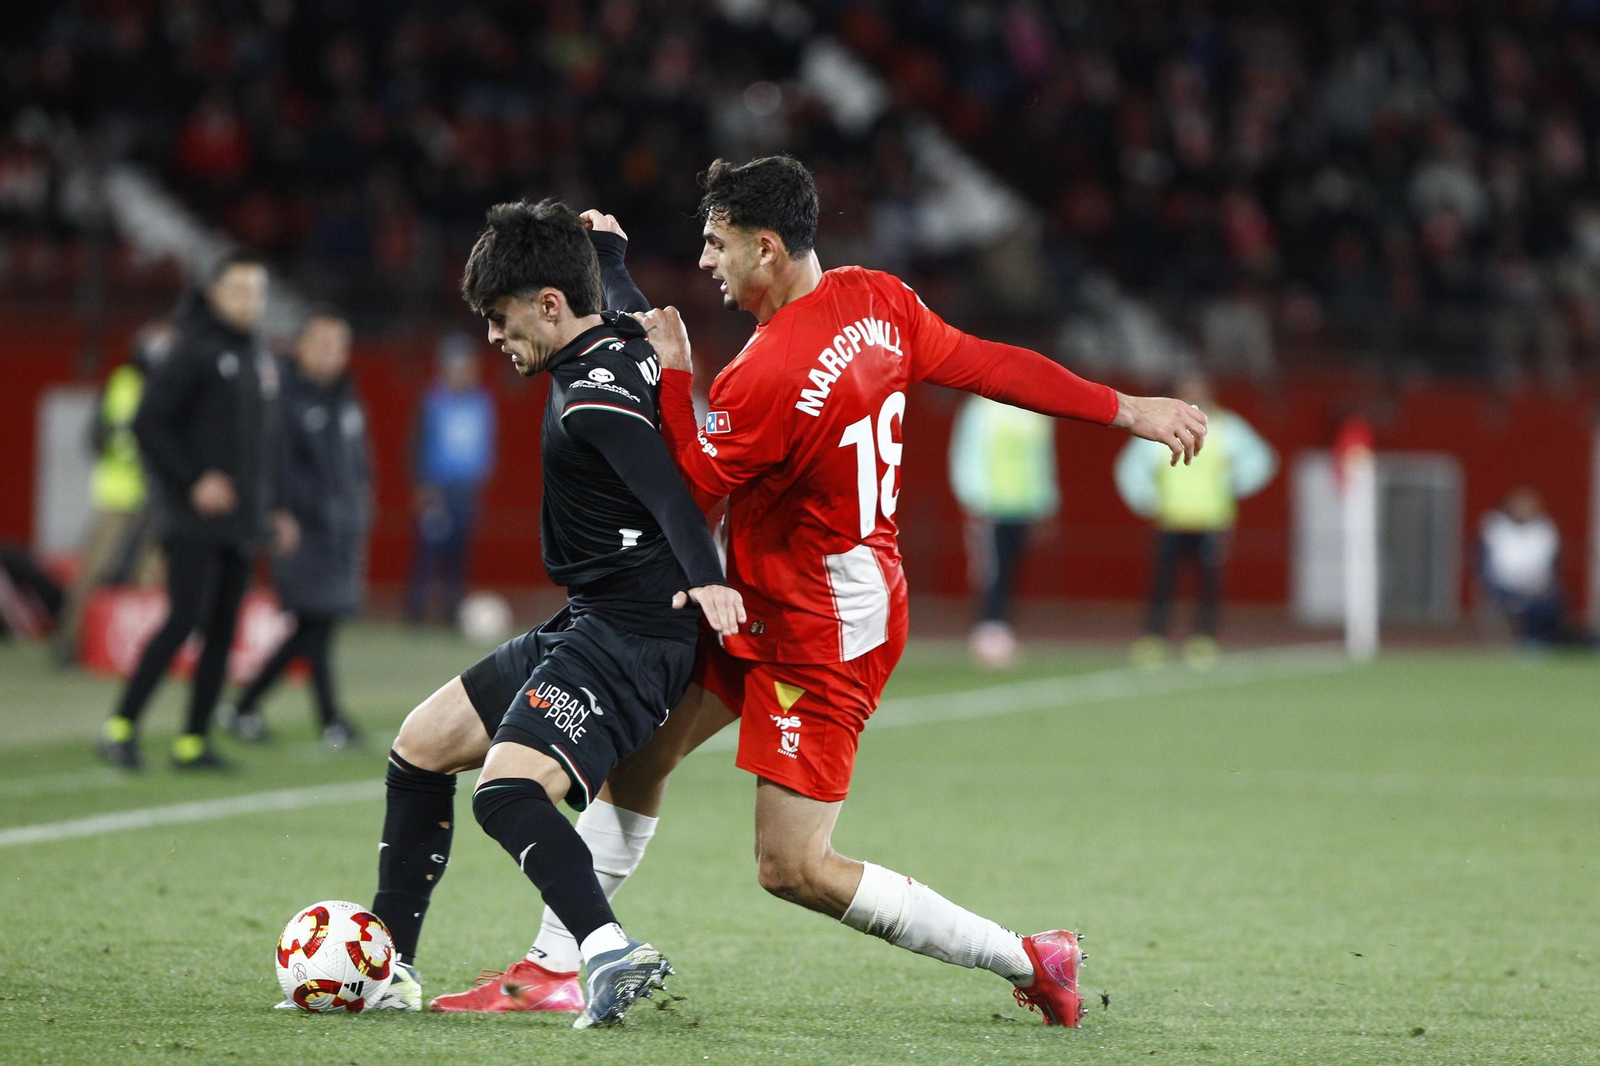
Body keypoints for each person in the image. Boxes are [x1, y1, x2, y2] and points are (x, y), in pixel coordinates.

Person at [434, 157, 1207, 1028]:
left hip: (823, 629)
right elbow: (989, 364)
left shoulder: (764, 379)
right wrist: (1125, 408)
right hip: (775, 596)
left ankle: (1031, 957)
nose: (706, 263)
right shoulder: (882, 300)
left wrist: (678, 378)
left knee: (791, 867)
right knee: (639, 759)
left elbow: (685, 496)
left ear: (766, 248)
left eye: (718, 245)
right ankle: (554, 963)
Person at [356, 199, 744, 1030]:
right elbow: (622, 295)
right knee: (420, 749)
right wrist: (607, 247)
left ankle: (603, 952)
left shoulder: (589, 399)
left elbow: (669, 493)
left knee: (504, 793)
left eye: (501, 318)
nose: (495, 337)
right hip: (596, 617)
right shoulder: (622, 331)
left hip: (634, 632)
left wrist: (710, 579)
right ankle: (388, 965)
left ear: (550, 305)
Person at [97, 251, 298, 772]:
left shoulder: (257, 354)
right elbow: (147, 423)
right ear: (213, 294)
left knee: (223, 632)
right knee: (183, 618)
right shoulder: (192, 349)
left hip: (240, 522)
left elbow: (261, 444)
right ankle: (120, 727)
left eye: (256, 291)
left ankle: (192, 741)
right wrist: (193, 482)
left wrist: (272, 507)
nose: (249, 301)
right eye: (238, 290)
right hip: (192, 520)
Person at [224, 311, 371, 749]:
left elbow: (358, 463)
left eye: (338, 345)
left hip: (339, 527)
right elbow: (268, 461)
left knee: (314, 626)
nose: (331, 354)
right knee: (316, 621)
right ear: (301, 347)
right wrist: (275, 511)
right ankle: (328, 718)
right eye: (322, 344)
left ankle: (245, 707)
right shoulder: (284, 398)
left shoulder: (344, 398)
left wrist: (361, 506)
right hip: (301, 527)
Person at [1114, 372, 1276, 670]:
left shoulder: (1227, 428)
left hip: (1211, 520)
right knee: (1162, 583)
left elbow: (1261, 460)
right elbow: (1131, 468)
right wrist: (1147, 501)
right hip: (1171, 519)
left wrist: (1232, 484)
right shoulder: (1163, 425)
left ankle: (1203, 639)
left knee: (1208, 585)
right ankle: (1155, 638)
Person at [52, 321, 172, 666]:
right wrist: (130, 447)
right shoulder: (122, 383)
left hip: (160, 497)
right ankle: (69, 643)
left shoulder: (173, 388)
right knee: (93, 570)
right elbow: (94, 437)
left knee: (150, 575)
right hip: (118, 495)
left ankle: (134, 650)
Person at [948, 395, 1059, 668]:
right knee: (990, 571)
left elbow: (1042, 461)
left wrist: (1044, 503)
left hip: (1021, 507)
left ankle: (1001, 630)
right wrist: (973, 497)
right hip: (990, 506)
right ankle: (988, 632)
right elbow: (966, 452)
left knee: (1010, 571)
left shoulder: (1035, 411)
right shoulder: (982, 409)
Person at [405, 339, 495, 625]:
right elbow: (416, 444)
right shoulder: (432, 400)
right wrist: (421, 485)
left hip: (466, 490)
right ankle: (416, 612)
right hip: (437, 489)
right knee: (428, 552)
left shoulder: (482, 402)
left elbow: (486, 444)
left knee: (460, 554)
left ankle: (451, 613)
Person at [1479, 487, 1588, 647]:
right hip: (1504, 585)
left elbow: (1547, 562)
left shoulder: (1544, 528)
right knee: (1523, 601)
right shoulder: (1496, 528)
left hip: (1537, 585)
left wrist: (1536, 583)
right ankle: (1527, 640)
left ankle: (1540, 641)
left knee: (1550, 601)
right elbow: (1495, 564)